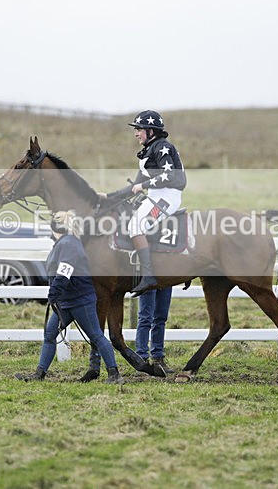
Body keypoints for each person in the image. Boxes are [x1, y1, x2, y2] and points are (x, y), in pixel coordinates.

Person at [15, 210, 124, 384]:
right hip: (67, 301)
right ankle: (39, 374)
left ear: (54, 228)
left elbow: (64, 272)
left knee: (96, 335)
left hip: (79, 301)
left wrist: (53, 293)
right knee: (50, 334)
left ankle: (115, 374)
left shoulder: (68, 244)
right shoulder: (66, 243)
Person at [99, 110, 187, 296]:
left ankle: (148, 275)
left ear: (151, 131)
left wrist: (144, 185)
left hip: (167, 197)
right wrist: (109, 197)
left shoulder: (163, 147)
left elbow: (169, 175)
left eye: (139, 129)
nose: (136, 133)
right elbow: (133, 187)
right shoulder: (149, 150)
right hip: (156, 195)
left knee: (136, 226)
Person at [136, 287, 174, 374]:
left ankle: (157, 358)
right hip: (150, 278)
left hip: (166, 279)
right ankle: (142, 359)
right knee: (145, 318)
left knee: (160, 318)